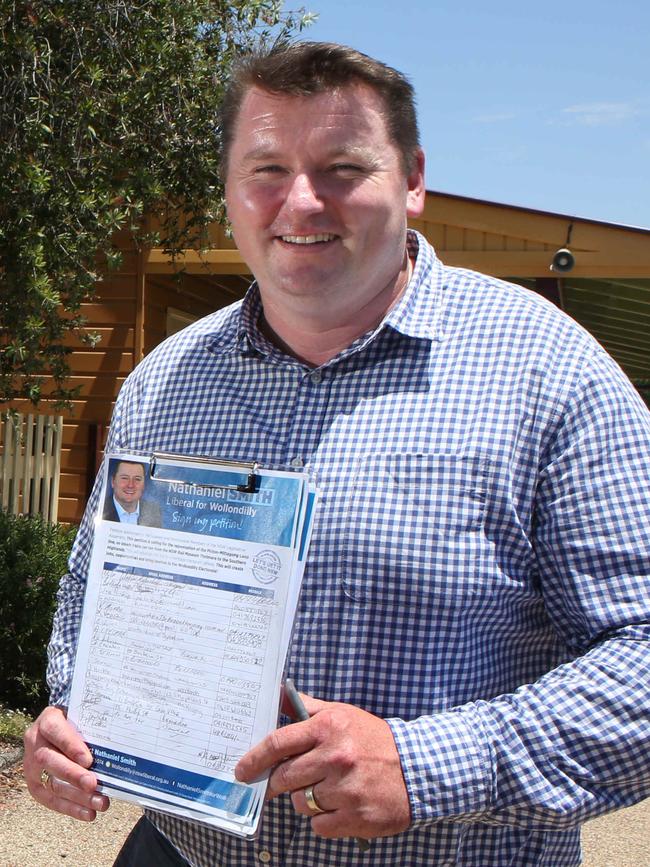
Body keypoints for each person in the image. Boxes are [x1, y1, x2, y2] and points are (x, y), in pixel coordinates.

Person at [24, 41, 650, 867]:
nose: (303, 201)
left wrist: (427, 767)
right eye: (268, 168)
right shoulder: (161, 384)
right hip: (178, 852)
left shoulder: (551, 376)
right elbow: (92, 584)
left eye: (344, 168)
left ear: (414, 180)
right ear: (229, 193)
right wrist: (68, 709)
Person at [102, 459, 161, 527]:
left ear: (144, 484)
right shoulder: (101, 510)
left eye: (137, 479)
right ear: (112, 481)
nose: (130, 485)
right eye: (124, 478)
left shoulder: (154, 511)